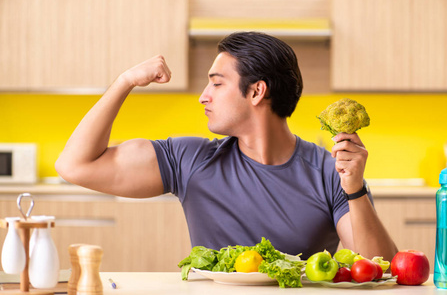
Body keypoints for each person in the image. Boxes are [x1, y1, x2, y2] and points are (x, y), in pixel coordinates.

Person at [55, 32, 397, 261]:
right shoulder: (189, 160)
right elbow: (74, 166)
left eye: (217, 84)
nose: (204, 96)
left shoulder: (327, 170)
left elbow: (377, 265)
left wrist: (354, 190)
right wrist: (124, 82)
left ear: (256, 92)